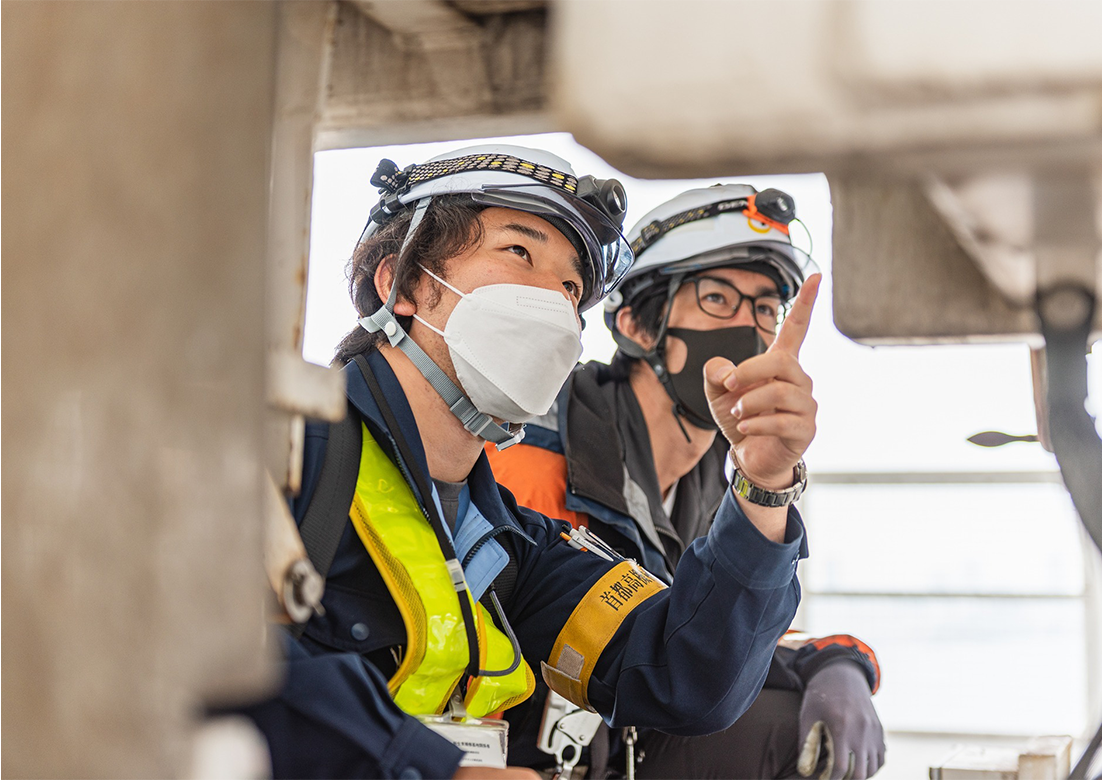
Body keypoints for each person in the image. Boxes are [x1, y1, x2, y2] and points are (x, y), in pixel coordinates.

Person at [242, 147, 818, 779]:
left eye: (572, 286)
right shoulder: (277, 457)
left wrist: (763, 485)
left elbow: (686, 676)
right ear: (402, 285)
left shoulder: (509, 544)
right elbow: (186, 653)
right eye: (520, 254)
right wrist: (435, 770)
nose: (555, 300)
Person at [488, 184, 885, 780]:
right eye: (718, 297)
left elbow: (716, 625)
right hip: (539, 753)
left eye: (766, 309)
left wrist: (836, 662)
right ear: (637, 326)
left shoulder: (717, 479)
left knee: (794, 722)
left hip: (634, 731)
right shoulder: (537, 462)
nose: (749, 328)